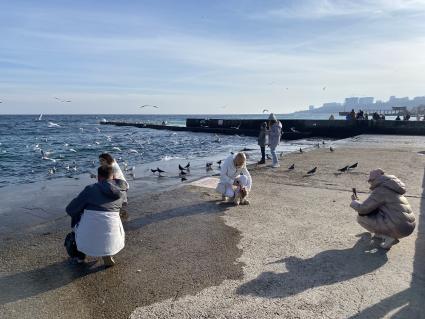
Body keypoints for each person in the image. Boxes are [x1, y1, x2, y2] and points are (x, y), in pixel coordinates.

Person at [66, 166, 128, 266]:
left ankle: (80, 256)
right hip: (115, 240)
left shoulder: (90, 189)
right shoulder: (122, 192)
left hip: (87, 241)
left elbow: (70, 209)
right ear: (114, 176)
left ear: (98, 177)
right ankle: (107, 252)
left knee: (79, 217)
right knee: (109, 218)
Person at [350, 169, 415, 249]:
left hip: (397, 227)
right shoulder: (393, 187)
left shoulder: (381, 190)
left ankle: (388, 237)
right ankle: (382, 234)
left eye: (370, 180)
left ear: (375, 179)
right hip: (409, 227)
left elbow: (363, 209)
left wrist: (354, 201)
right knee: (376, 213)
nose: (370, 183)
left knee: (361, 218)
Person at [99, 153, 129, 219]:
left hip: (121, 186)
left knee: (115, 201)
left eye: (102, 160)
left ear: (107, 160)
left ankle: (119, 214)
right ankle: (120, 212)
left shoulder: (111, 167)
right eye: (100, 161)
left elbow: (109, 180)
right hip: (121, 185)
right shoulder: (111, 165)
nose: (100, 162)